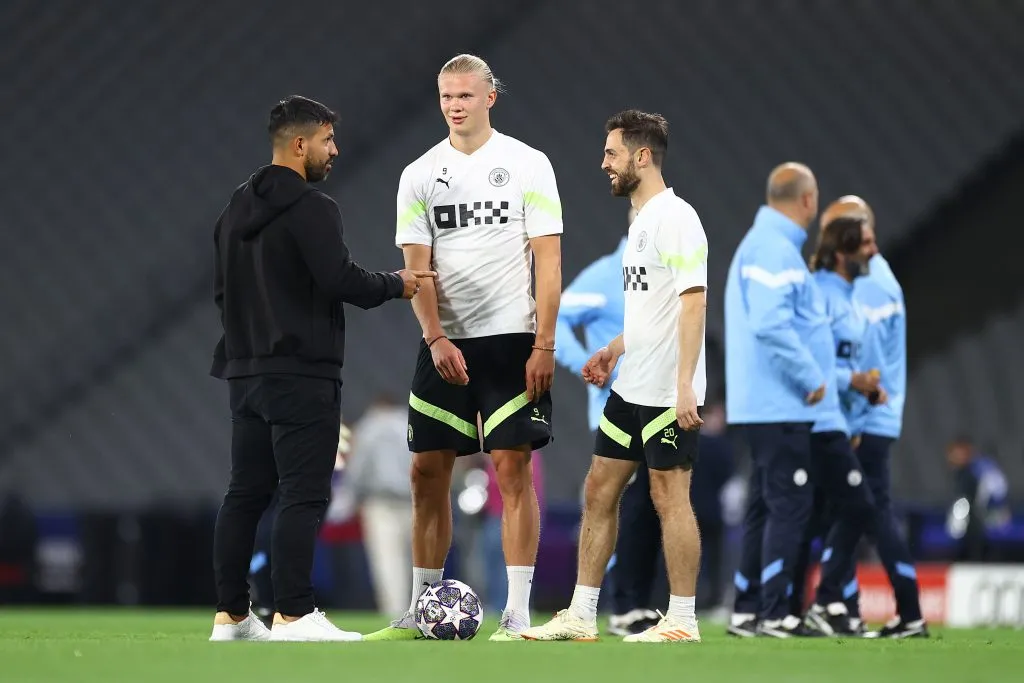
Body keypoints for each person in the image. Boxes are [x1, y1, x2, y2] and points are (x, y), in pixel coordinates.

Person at [208, 95, 434, 642]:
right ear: (300, 144)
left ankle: (232, 617)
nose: (335, 151)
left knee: (245, 492)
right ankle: (293, 613)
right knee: (303, 493)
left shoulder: (234, 208)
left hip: (244, 373)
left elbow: (222, 292)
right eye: (328, 140)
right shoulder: (314, 208)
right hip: (303, 374)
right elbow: (340, 281)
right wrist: (398, 284)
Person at [364, 54, 563, 642]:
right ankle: (422, 608)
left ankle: (518, 613)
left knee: (513, 468)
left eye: (466, 96)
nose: (455, 105)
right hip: (444, 343)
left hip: (512, 340)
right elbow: (414, 269)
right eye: (447, 96)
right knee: (427, 471)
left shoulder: (528, 164)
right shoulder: (419, 174)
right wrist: (435, 336)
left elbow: (548, 262)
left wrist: (544, 343)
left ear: (490, 98)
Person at [522, 109, 708, 643]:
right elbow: (655, 308)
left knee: (669, 497)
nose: (603, 163)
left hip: (666, 391)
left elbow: (693, 304)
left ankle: (682, 620)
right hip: (630, 384)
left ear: (641, 157)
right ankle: (581, 614)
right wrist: (611, 348)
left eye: (611, 153)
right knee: (599, 490)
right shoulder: (639, 223)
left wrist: (684, 386)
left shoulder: (677, 217)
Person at [795, 215, 926, 638]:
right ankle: (830, 606)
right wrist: (860, 388)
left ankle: (830, 605)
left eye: (869, 239)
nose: (871, 249)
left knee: (853, 509)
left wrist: (862, 395)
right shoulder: (855, 290)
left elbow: (854, 361)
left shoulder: (868, 287)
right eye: (863, 242)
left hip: (861, 418)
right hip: (850, 415)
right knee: (845, 509)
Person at [724, 163, 833, 638]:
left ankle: (749, 609)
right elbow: (770, 322)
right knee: (790, 505)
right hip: (780, 401)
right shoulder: (774, 250)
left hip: (762, 403)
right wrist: (810, 375)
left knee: (765, 506)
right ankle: (776, 612)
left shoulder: (762, 245)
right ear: (807, 201)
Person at [555, 207, 663, 635]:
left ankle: (637, 600)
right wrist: (582, 360)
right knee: (626, 507)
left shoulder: (661, 274)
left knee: (654, 507)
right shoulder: (605, 274)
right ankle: (622, 603)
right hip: (616, 407)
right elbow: (558, 318)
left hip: (660, 403)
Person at [334, 393, 413, 617]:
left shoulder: (368, 427)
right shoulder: (410, 423)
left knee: (387, 560)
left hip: (379, 503)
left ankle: (395, 612)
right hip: (415, 501)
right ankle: (421, 609)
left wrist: (353, 499)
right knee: (418, 561)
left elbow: (357, 470)